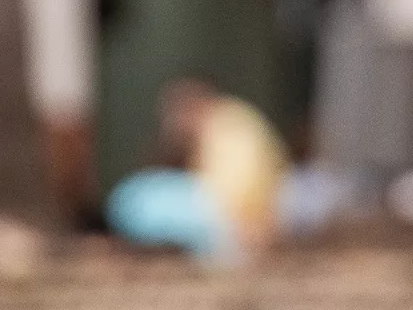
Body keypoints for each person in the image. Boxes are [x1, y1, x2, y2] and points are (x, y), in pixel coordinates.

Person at [105, 78, 288, 263]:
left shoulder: (226, 125)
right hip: (241, 216)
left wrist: (247, 227)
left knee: (133, 197)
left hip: (234, 219)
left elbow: (238, 190)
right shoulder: (233, 118)